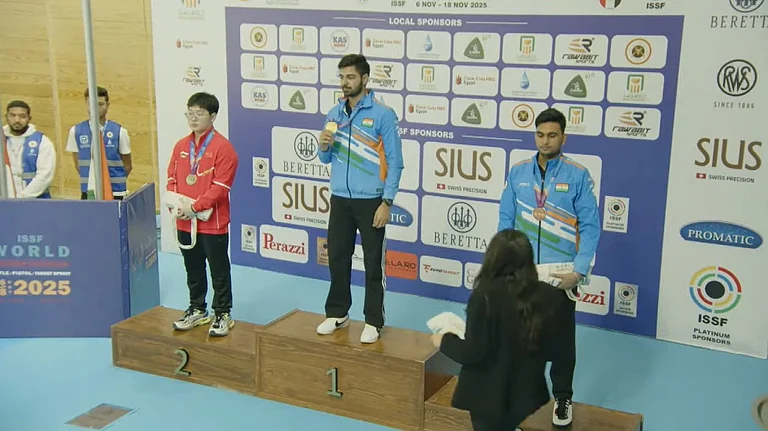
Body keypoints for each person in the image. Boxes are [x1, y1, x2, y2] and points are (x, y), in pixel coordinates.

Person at [498, 107, 601, 428]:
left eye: (552, 135)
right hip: (525, 271)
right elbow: (505, 222)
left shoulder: (577, 175)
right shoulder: (517, 172)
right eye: (540, 135)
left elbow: (591, 226)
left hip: (561, 272)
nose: (545, 141)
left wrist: (579, 271)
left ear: (563, 137)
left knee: (560, 340)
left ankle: (562, 396)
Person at [431, 229, 564, 431]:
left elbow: (474, 352)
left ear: (492, 257)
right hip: (525, 396)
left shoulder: (484, 297)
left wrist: (443, 340)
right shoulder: (550, 296)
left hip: (488, 401)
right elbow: (555, 350)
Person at [315, 53, 404, 344]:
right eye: (341, 77)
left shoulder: (382, 114)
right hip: (340, 199)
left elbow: (395, 161)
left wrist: (387, 201)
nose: (344, 82)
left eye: (350, 77)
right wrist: (323, 146)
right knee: (337, 258)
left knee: (372, 262)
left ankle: (373, 320)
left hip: (372, 201)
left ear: (365, 79)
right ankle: (338, 312)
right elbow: (326, 158)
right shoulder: (334, 114)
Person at [166, 92, 239, 337]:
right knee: (192, 268)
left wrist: (194, 208)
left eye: (200, 113)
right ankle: (197, 308)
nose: (193, 118)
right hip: (185, 222)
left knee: (218, 270)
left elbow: (221, 187)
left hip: (212, 223)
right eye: (190, 112)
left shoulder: (223, 148)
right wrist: (176, 205)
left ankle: (223, 313)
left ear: (213, 116)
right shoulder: (180, 146)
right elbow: (172, 179)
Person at [66, 86, 132, 200]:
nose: (96, 108)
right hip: (89, 191)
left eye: (100, 104)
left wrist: (109, 181)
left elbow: (128, 165)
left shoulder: (120, 132)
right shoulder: (76, 131)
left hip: (116, 191)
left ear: (108, 105)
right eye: (91, 104)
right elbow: (78, 164)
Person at [2, 100, 56, 199]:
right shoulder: (2, 140)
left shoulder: (42, 141)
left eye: (22, 116)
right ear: (6, 117)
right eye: (12, 115)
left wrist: (22, 197)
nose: (17, 120)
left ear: (29, 118)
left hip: (36, 201)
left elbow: (45, 175)